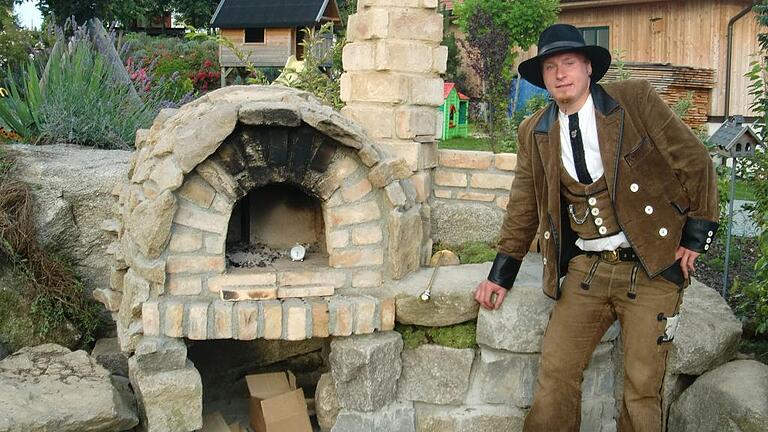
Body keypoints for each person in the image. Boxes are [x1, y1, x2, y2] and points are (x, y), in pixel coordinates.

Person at [473, 24, 719, 432]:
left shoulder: (634, 101)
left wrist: (696, 237)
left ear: (588, 67)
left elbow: (695, 161)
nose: (560, 73)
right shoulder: (533, 131)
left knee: (642, 388)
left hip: (652, 267)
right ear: (543, 78)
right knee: (555, 375)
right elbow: (522, 206)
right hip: (588, 270)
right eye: (550, 67)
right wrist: (501, 273)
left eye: (568, 63)